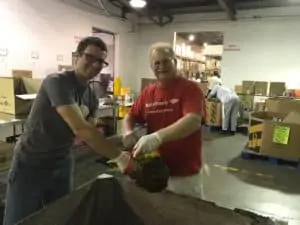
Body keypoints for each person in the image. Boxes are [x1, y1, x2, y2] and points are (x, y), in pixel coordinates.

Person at [3, 37, 131, 225]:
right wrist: (121, 158)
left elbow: (87, 133)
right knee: (19, 220)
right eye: (89, 57)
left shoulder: (91, 96)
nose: (95, 64)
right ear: (77, 56)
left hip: (62, 163)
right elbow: (82, 128)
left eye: (100, 62)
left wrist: (124, 139)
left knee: (61, 215)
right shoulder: (57, 82)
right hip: (30, 164)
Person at [122, 42, 205, 198]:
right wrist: (128, 131)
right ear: (152, 67)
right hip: (155, 173)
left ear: (175, 61)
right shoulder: (148, 92)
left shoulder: (190, 89)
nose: (161, 66)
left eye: (166, 61)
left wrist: (158, 137)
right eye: (157, 63)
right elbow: (130, 115)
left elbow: (193, 120)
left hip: (184, 174)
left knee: (186, 218)